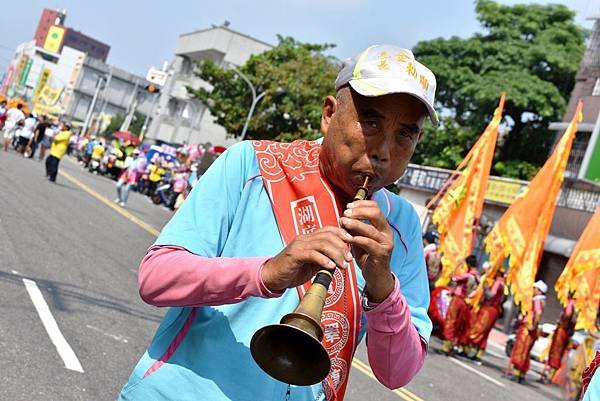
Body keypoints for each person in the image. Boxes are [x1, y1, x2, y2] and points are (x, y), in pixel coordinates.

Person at [118, 44, 437, 401]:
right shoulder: (251, 164)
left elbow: (397, 373)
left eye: (404, 134)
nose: (383, 151)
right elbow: (155, 278)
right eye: (371, 122)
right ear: (329, 114)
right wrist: (267, 273)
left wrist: (382, 287)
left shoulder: (402, 225)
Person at [509, 280, 547, 383]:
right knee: (525, 351)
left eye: (535, 288)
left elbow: (538, 314)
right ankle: (521, 374)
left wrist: (533, 326)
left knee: (521, 350)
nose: (533, 290)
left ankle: (517, 373)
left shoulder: (537, 301)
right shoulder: (538, 300)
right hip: (528, 328)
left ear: (539, 291)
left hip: (528, 328)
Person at [466, 263, 505, 362]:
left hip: (489, 309)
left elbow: (491, 296)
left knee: (478, 329)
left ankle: (470, 350)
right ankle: (478, 354)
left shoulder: (497, 282)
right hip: (494, 311)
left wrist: (485, 287)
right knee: (485, 333)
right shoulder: (503, 284)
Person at [441, 254, 479, 355]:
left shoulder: (467, 276)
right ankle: (453, 345)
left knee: (451, 321)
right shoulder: (477, 277)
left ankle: (447, 346)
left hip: (458, 300)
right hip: (466, 303)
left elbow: (454, 278)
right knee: (459, 324)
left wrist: (457, 265)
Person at [543, 293, 576, 382]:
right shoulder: (575, 304)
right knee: (556, 353)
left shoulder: (571, 302)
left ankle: (549, 376)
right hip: (564, 331)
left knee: (556, 353)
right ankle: (549, 375)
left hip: (562, 331)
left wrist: (562, 321)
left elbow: (568, 315)